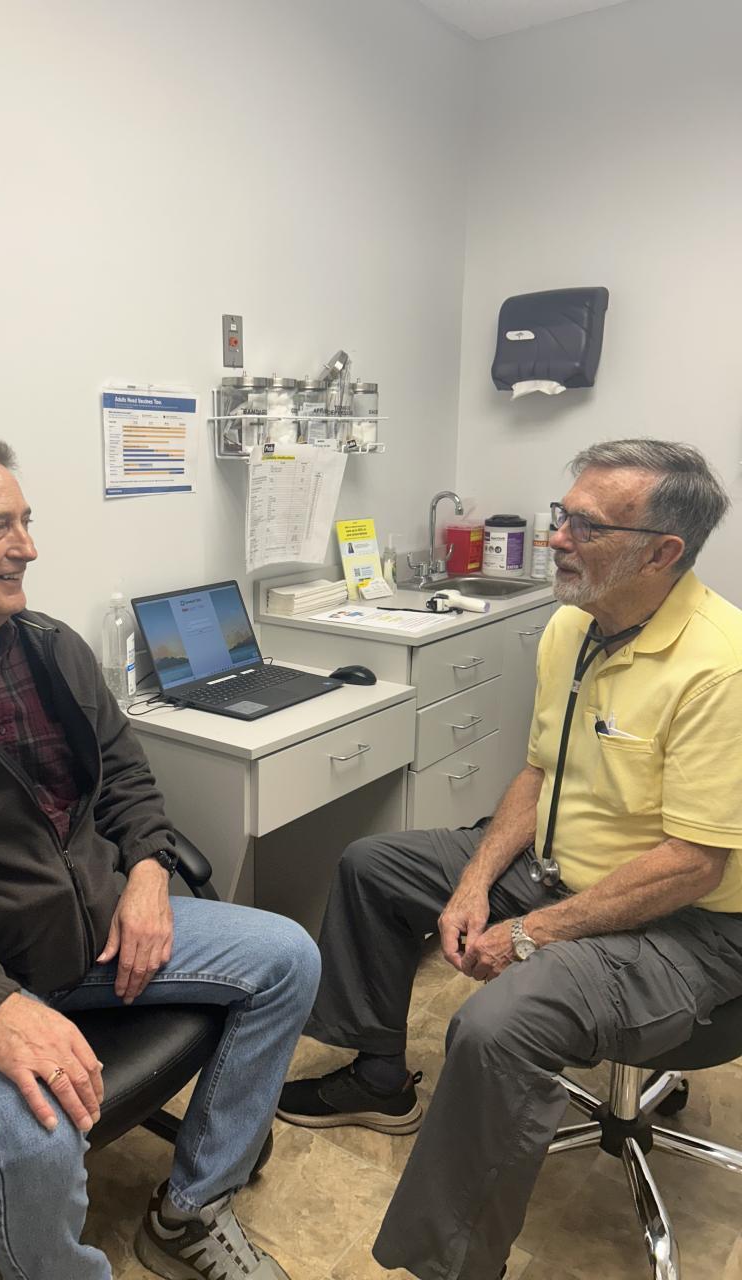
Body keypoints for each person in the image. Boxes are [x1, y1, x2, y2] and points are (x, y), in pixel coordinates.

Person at [0, 429, 321, 1280]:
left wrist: (147, 874)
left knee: (289, 956)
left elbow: (128, 779)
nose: (27, 547)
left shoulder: (52, 647)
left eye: (26, 522)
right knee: (36, 1141)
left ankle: (191, 1209)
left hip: (96, 930)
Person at [278, 438, 742, 1280]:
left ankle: (456, 1266)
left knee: (495, 1027)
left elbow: (692, 864)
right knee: (373, 865)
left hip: (686, 924)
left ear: (662, 553)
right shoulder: (573, 626)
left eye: (587, 526)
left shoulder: (722, 667)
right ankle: (377, 1077)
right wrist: (473, 881)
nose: (556, 537)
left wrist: (530, 933)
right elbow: (539, 771)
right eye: (564, 515)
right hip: (562, 870)